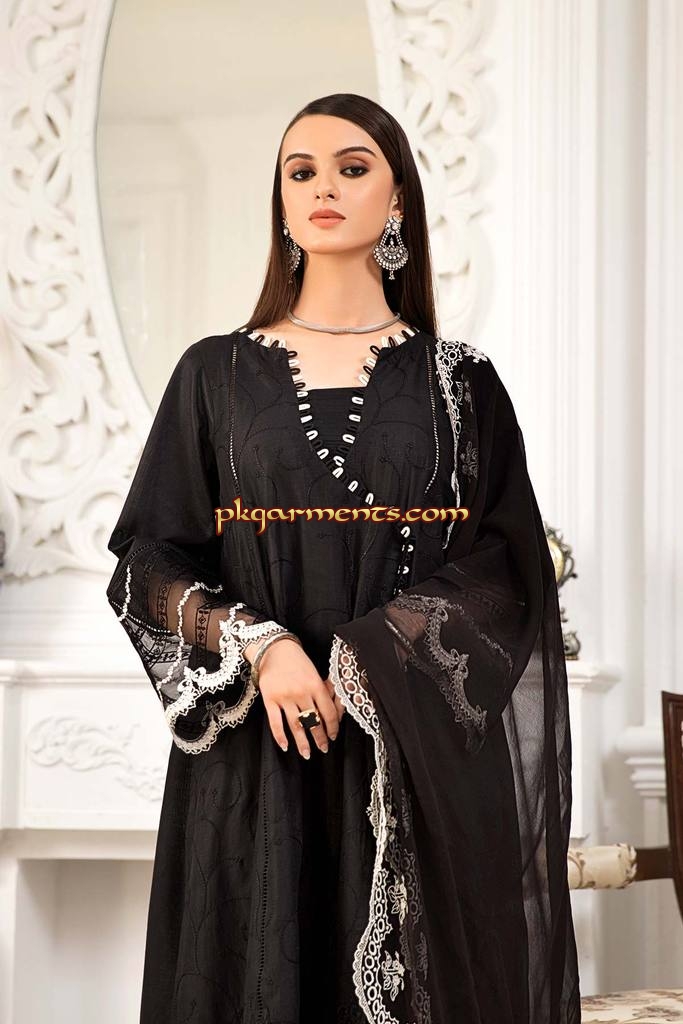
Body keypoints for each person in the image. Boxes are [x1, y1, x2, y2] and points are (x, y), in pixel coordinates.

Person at [106, 92, 581, 1024]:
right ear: (281, 203)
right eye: (302, 171)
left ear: (396, 200)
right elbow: (147, 559)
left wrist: (373, 652)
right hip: (256, 757)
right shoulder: (214, 374)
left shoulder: (460, 383)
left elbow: (507, 565)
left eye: (352, 168)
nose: (323, 186)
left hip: (412, 761)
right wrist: (260, 644)